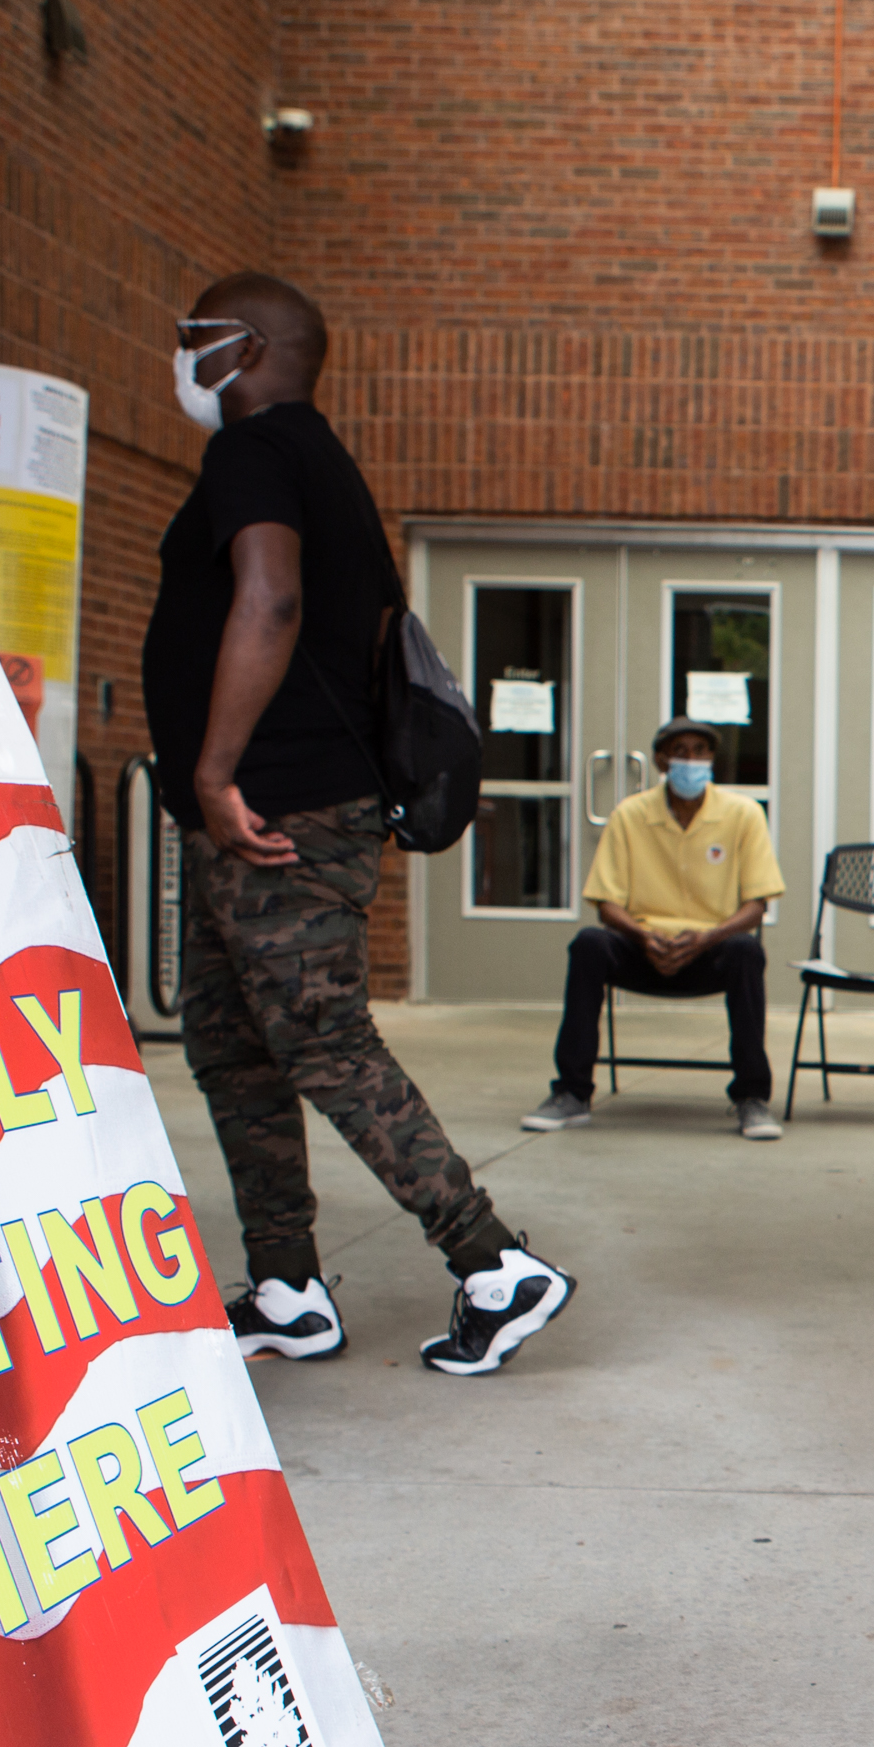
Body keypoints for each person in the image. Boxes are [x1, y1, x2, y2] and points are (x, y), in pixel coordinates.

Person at [140, 271, 573, 1377]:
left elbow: (269, 598)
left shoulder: (258, 451)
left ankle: (493, 1264)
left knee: (325, 1045)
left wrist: (215, 768)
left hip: (270, 806)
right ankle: (287, 1288)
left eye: (194, 337)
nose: (181, 353)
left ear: (240, 348)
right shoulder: (326, 462)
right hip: (270, 807)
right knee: (232, 1048)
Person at [520, 719, 786, 1138]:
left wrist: (706, 938)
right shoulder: (630, 815)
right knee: (589, 944)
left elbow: (757, 904)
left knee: (747, 951)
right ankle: (571, 1093)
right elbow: (607, 904)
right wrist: (644, 937)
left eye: (701, 751)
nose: (691, 760)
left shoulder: (743, 815)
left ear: (713, 759)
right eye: (681, 751)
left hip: (709, 948)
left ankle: (751, 1098)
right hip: (642, 949)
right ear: (662, 760)